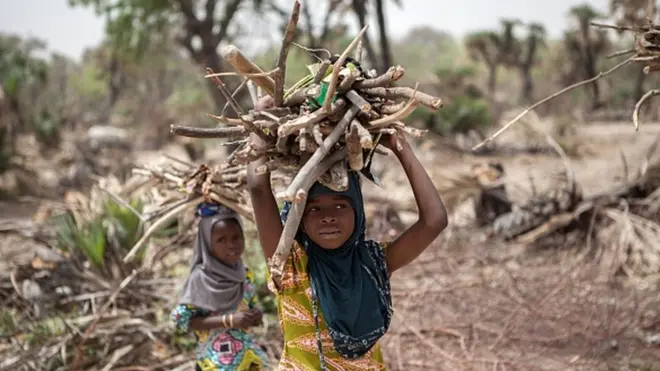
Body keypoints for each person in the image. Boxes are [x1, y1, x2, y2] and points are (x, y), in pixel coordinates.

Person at [247, 95, 448, 370]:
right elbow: (258, 189)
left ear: (358, 211)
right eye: (314, 209)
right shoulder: (291, 265)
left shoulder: (374, 262)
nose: (328, 216)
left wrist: (401, 149)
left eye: (341, 205)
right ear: (300, 218)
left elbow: (434, 221)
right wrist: (260, 127)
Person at [170, 202, 268, 371]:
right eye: (221, 240)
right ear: (208, 243)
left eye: (236, 237)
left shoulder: (245, 275)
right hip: (215, 362)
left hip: (246, 357)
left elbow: (247, 306)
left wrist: (255, 316)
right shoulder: (200, 278)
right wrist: (227, 320)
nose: (231, 244)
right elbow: (183, 320)